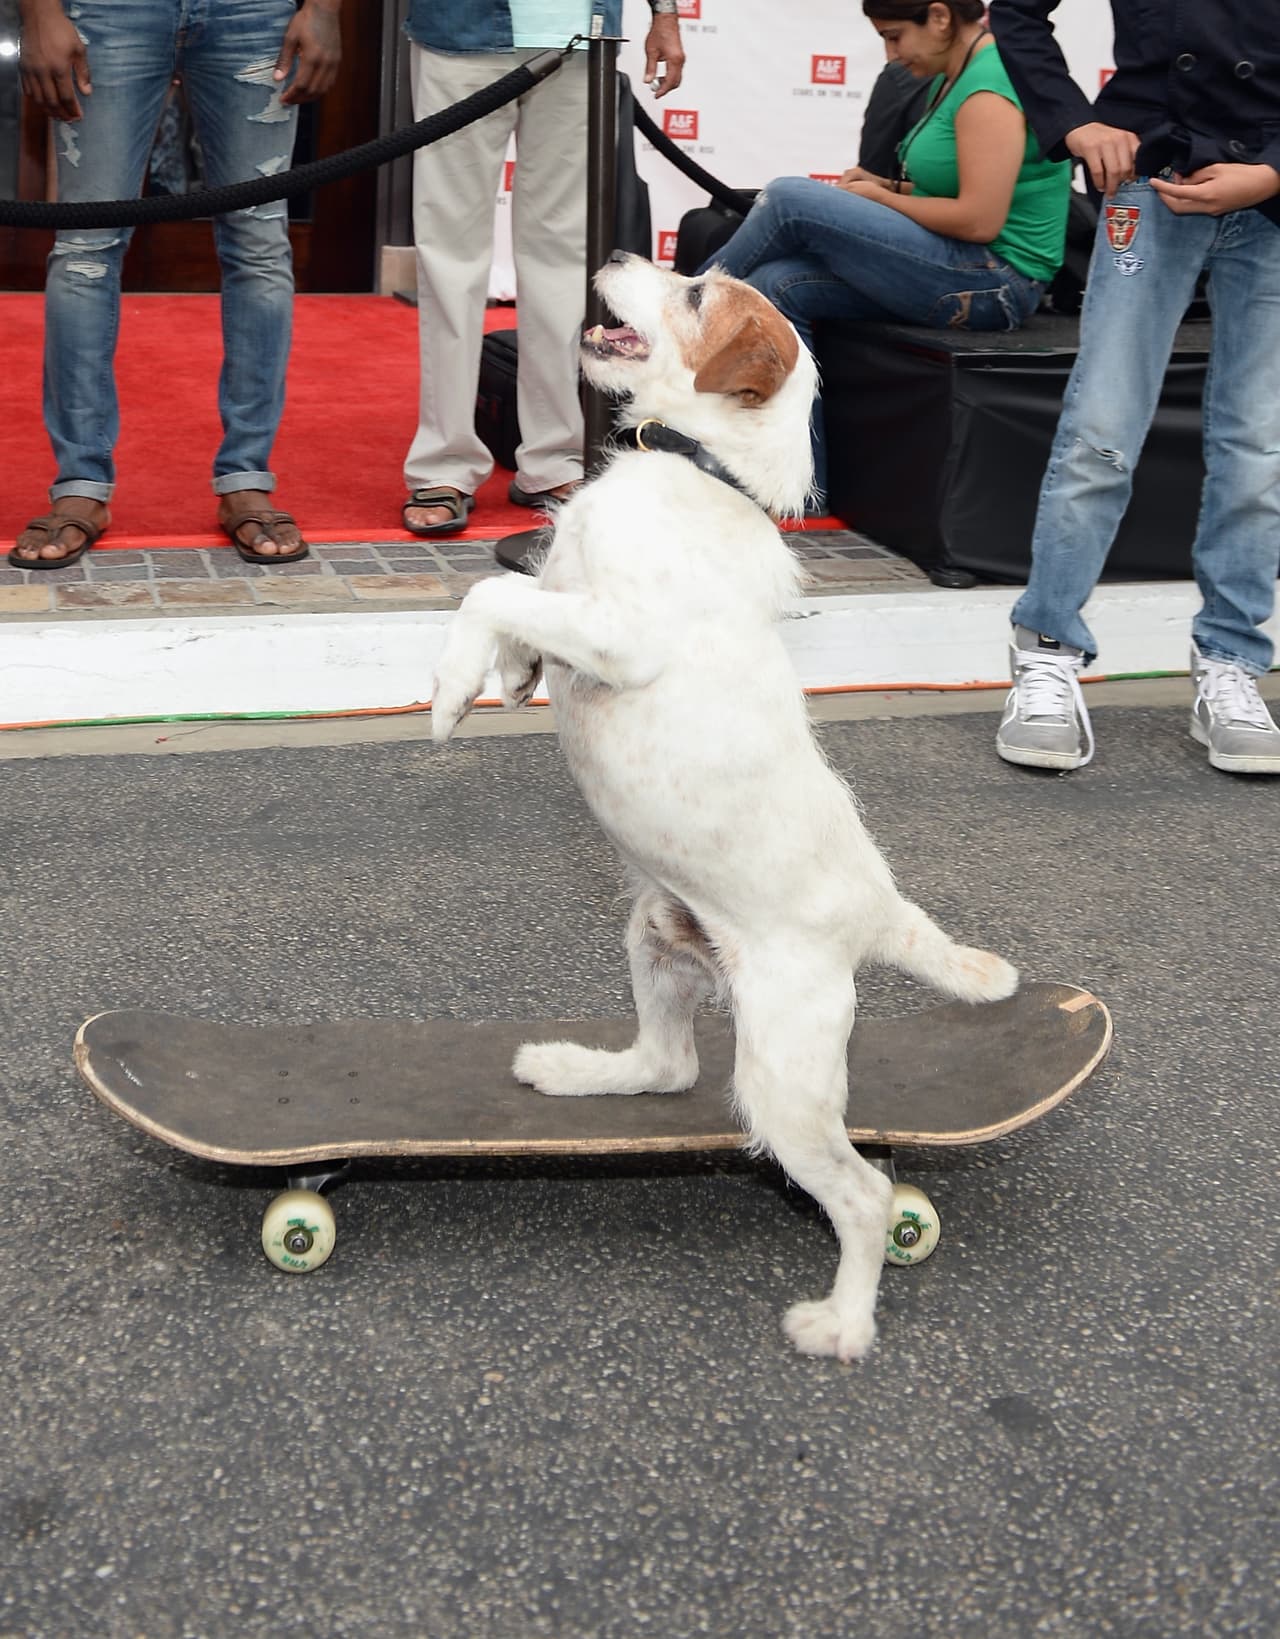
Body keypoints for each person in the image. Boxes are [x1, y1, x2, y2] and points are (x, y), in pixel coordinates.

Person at [990, 0, 1280, 775]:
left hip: (1272, 192)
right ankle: (1046, 649)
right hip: (1151, 178)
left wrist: (1273, 170)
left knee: (1257, 447)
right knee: (1102, 429)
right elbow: (1016, 13)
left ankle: (1232, 662)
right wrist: (1074, 123)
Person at [9, 0, 343, 571]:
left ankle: (247, 475)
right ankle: (80, 483)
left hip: (255, 13)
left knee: (260, 247)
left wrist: (325, 7)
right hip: (111, 10)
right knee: (84, 250)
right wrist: (39, 10)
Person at [701, 0, 1070, 509]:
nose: (891, 54)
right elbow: (959, 185)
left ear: (940, 18)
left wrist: (884, 199)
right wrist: (886, 184)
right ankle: (801, 496)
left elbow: (982, 219)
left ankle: (685, 311)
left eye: (895, 36)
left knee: (789, 199)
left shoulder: (990, 82)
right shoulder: (956, 70)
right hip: (965, 262)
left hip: (997, 283)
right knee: (776, 285)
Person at [399, 0, 685, 538]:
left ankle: (554, 456)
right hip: (459, 33)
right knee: (450, 255)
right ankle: (443, 464)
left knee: (560, 258)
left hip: (583, 37)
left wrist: (664, 13)